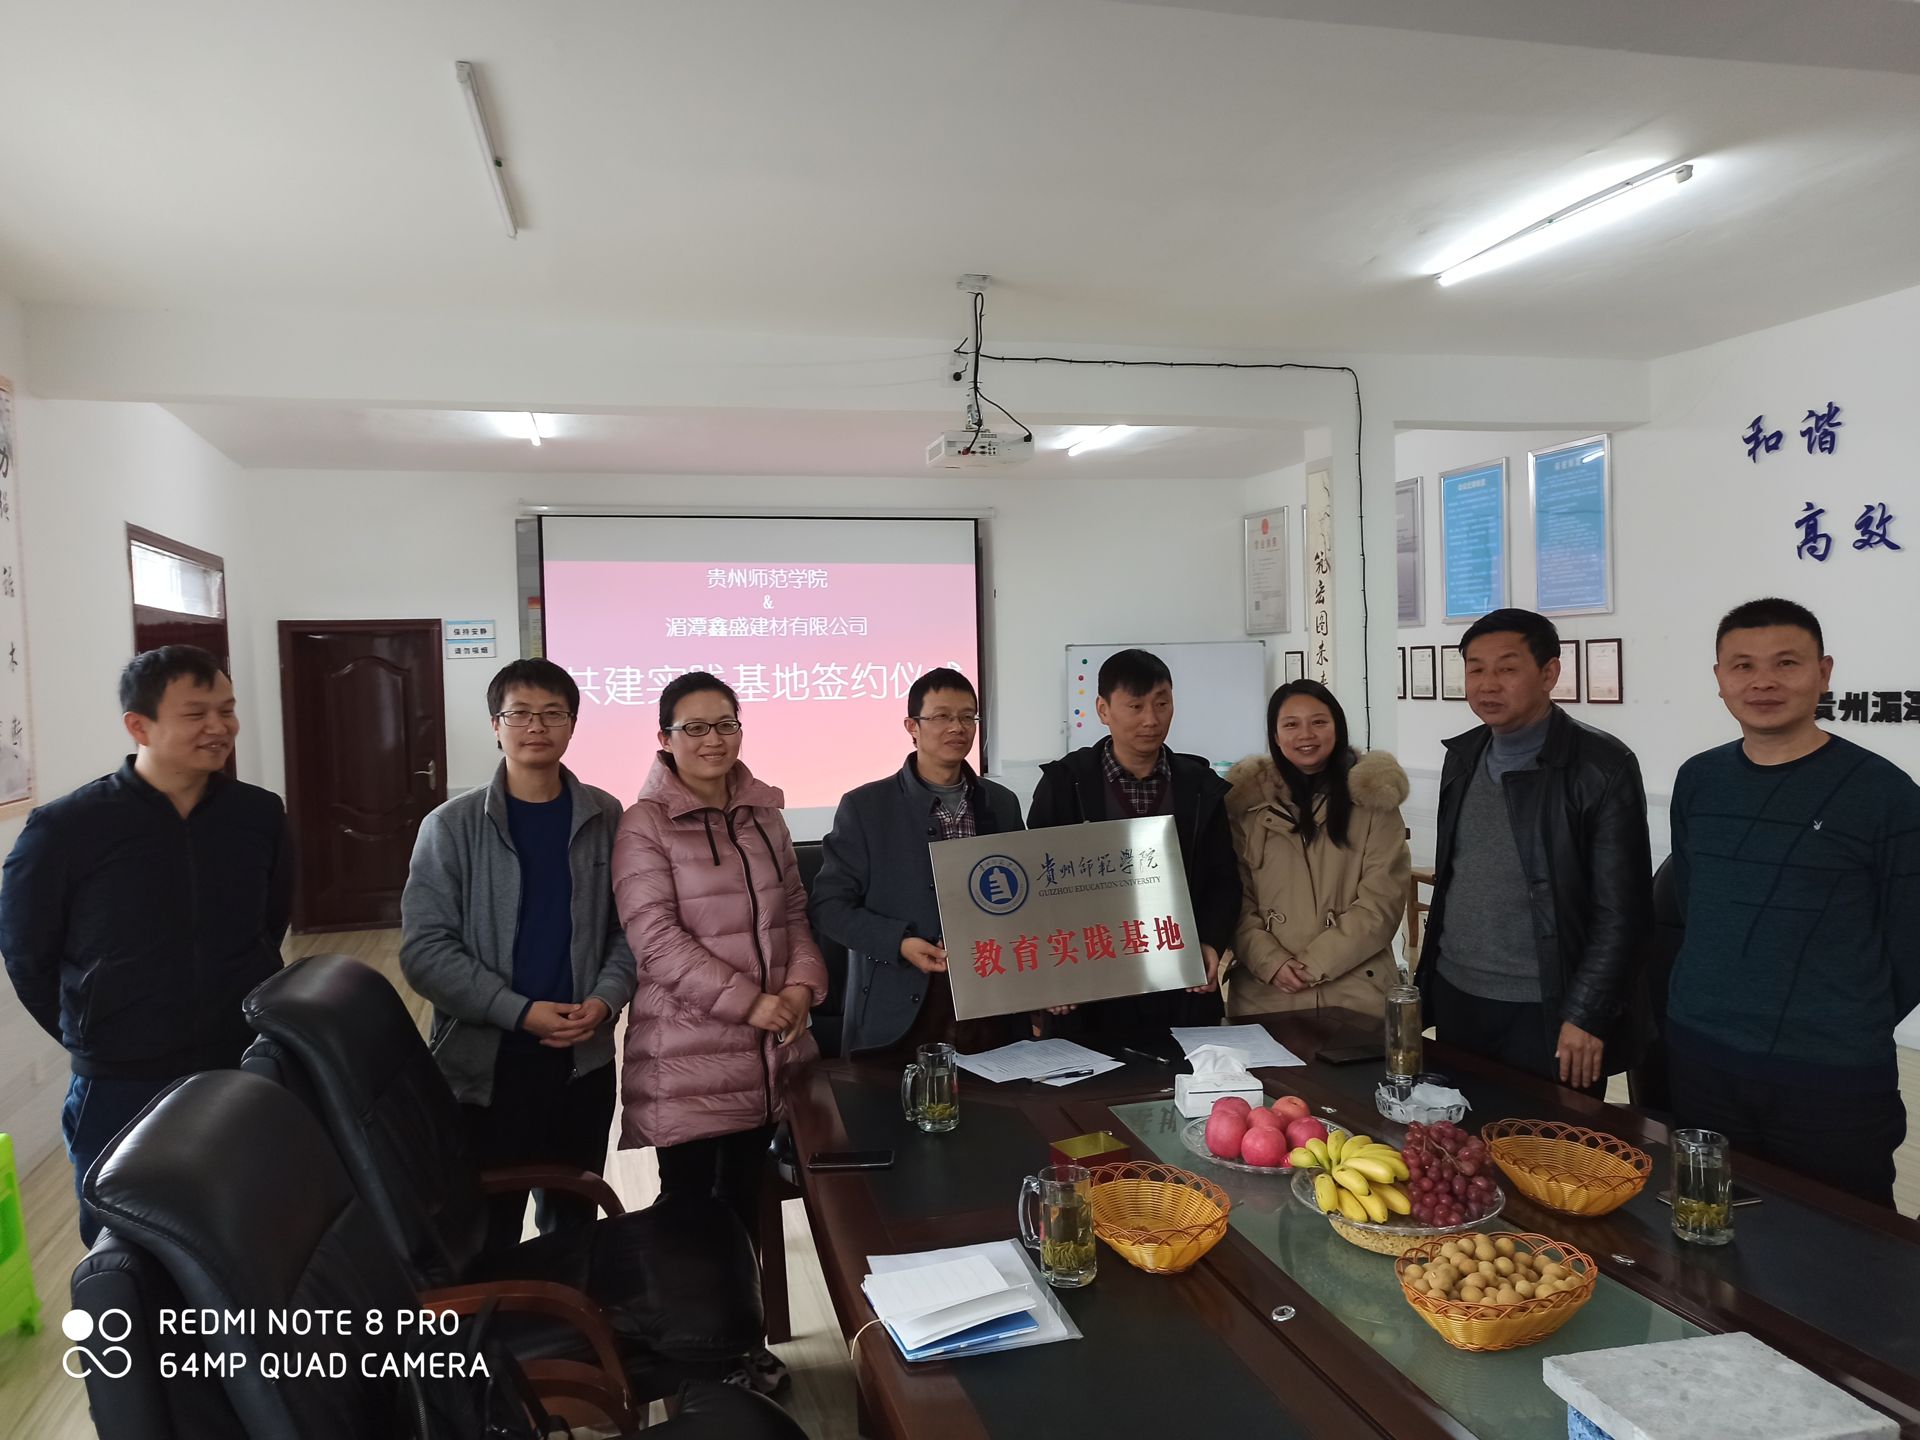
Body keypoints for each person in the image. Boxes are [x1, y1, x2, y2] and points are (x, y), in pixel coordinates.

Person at [0, 645, 290, 1245]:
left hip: (239, 1057)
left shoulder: (258, 815)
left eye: (227, 709)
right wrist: (94, 1029)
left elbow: (270, 920)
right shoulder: (68, 827)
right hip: (120, 1077)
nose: (219, 727)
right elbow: (27, 954)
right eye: (196, 714)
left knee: (246, 1226)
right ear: (139, 726)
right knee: (123, 1240)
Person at [613, 670, 825, 1394]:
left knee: (741, 1206)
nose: (713, 740)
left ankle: (739, 1346)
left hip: (767, 1055)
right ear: (665, 738)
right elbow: (655, 941)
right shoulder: (643, 824)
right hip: (690, 1056)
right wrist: (749, 1003)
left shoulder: (764, 815)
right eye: (696, 728)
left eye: (726, 725)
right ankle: (699, 1365)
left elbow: (793, 912)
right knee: (693, 1215)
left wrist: (800, 987)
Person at [1666, 598, 1917, 1206]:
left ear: (1823, 673)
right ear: (1720, 678)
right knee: (1706, 1224)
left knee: (1839, 1241)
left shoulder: (1884, 793)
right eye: (1743, 666)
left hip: (1831, 1075)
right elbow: (1692, 905)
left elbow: (1910, 940)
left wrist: (1844, 1017)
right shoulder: (1698, 780)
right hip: (1702, 1057)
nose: (1764, 682)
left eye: (1786, 663)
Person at [401, 658, 636, 1259]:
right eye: (520, 714)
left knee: (574, 1223)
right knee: (484, 1230)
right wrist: (519, 1011)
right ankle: (493, 1323)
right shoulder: (450, 827)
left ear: (573, 724)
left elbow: (627, 930)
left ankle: (570, 1315)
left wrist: (606, 999)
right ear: (495, 725)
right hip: (486, 1068)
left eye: (553, 713)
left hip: (581, 1063)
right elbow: (425, 952)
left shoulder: (606, 816)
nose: (537, 726)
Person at [1418, 609, 1651, 1093]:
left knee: (1548, 1139)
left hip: (1547, 1005)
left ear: (1549, 673)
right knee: (1458, 1134)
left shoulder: (1600, 767)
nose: (1487, 684)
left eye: (1507, 668)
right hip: (1459, 993)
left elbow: (1622, 912)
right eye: (1476, 669)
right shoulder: (1463, 757)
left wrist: (1587, 1013)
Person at [1026, 648, 1235, 1048]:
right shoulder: (1065, 784)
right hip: (1088, 989)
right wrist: (1051, 971)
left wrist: (1211, 940)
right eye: (1135, 706)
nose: (1151, 719)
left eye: (1162, 703)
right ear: (1103, 709)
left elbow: (1223, 877)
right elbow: (1036, 886)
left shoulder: (1198, 785)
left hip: (1180, 987)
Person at [812, 667, 1025, 1055]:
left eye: (967, 717)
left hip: (989, 1000)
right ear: (912, 726)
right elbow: (829, 907)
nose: (957, 727)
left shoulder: (1001, 803)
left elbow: (1025, 899)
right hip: (898, 1008)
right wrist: (899, 942)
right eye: (941, 716)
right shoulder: (866, 807)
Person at [1225, 680, 1411, 1019]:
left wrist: (1314, 964)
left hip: (1356, 992)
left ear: (1337, 728)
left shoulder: (1373, 801)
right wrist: (1271, 962)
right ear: (1275, 736)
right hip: (1265, 992)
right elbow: (1233, 898)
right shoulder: (1245, 805)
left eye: (1319, 722)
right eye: (1291, 725)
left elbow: (1382, 901)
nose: (1306, 735)